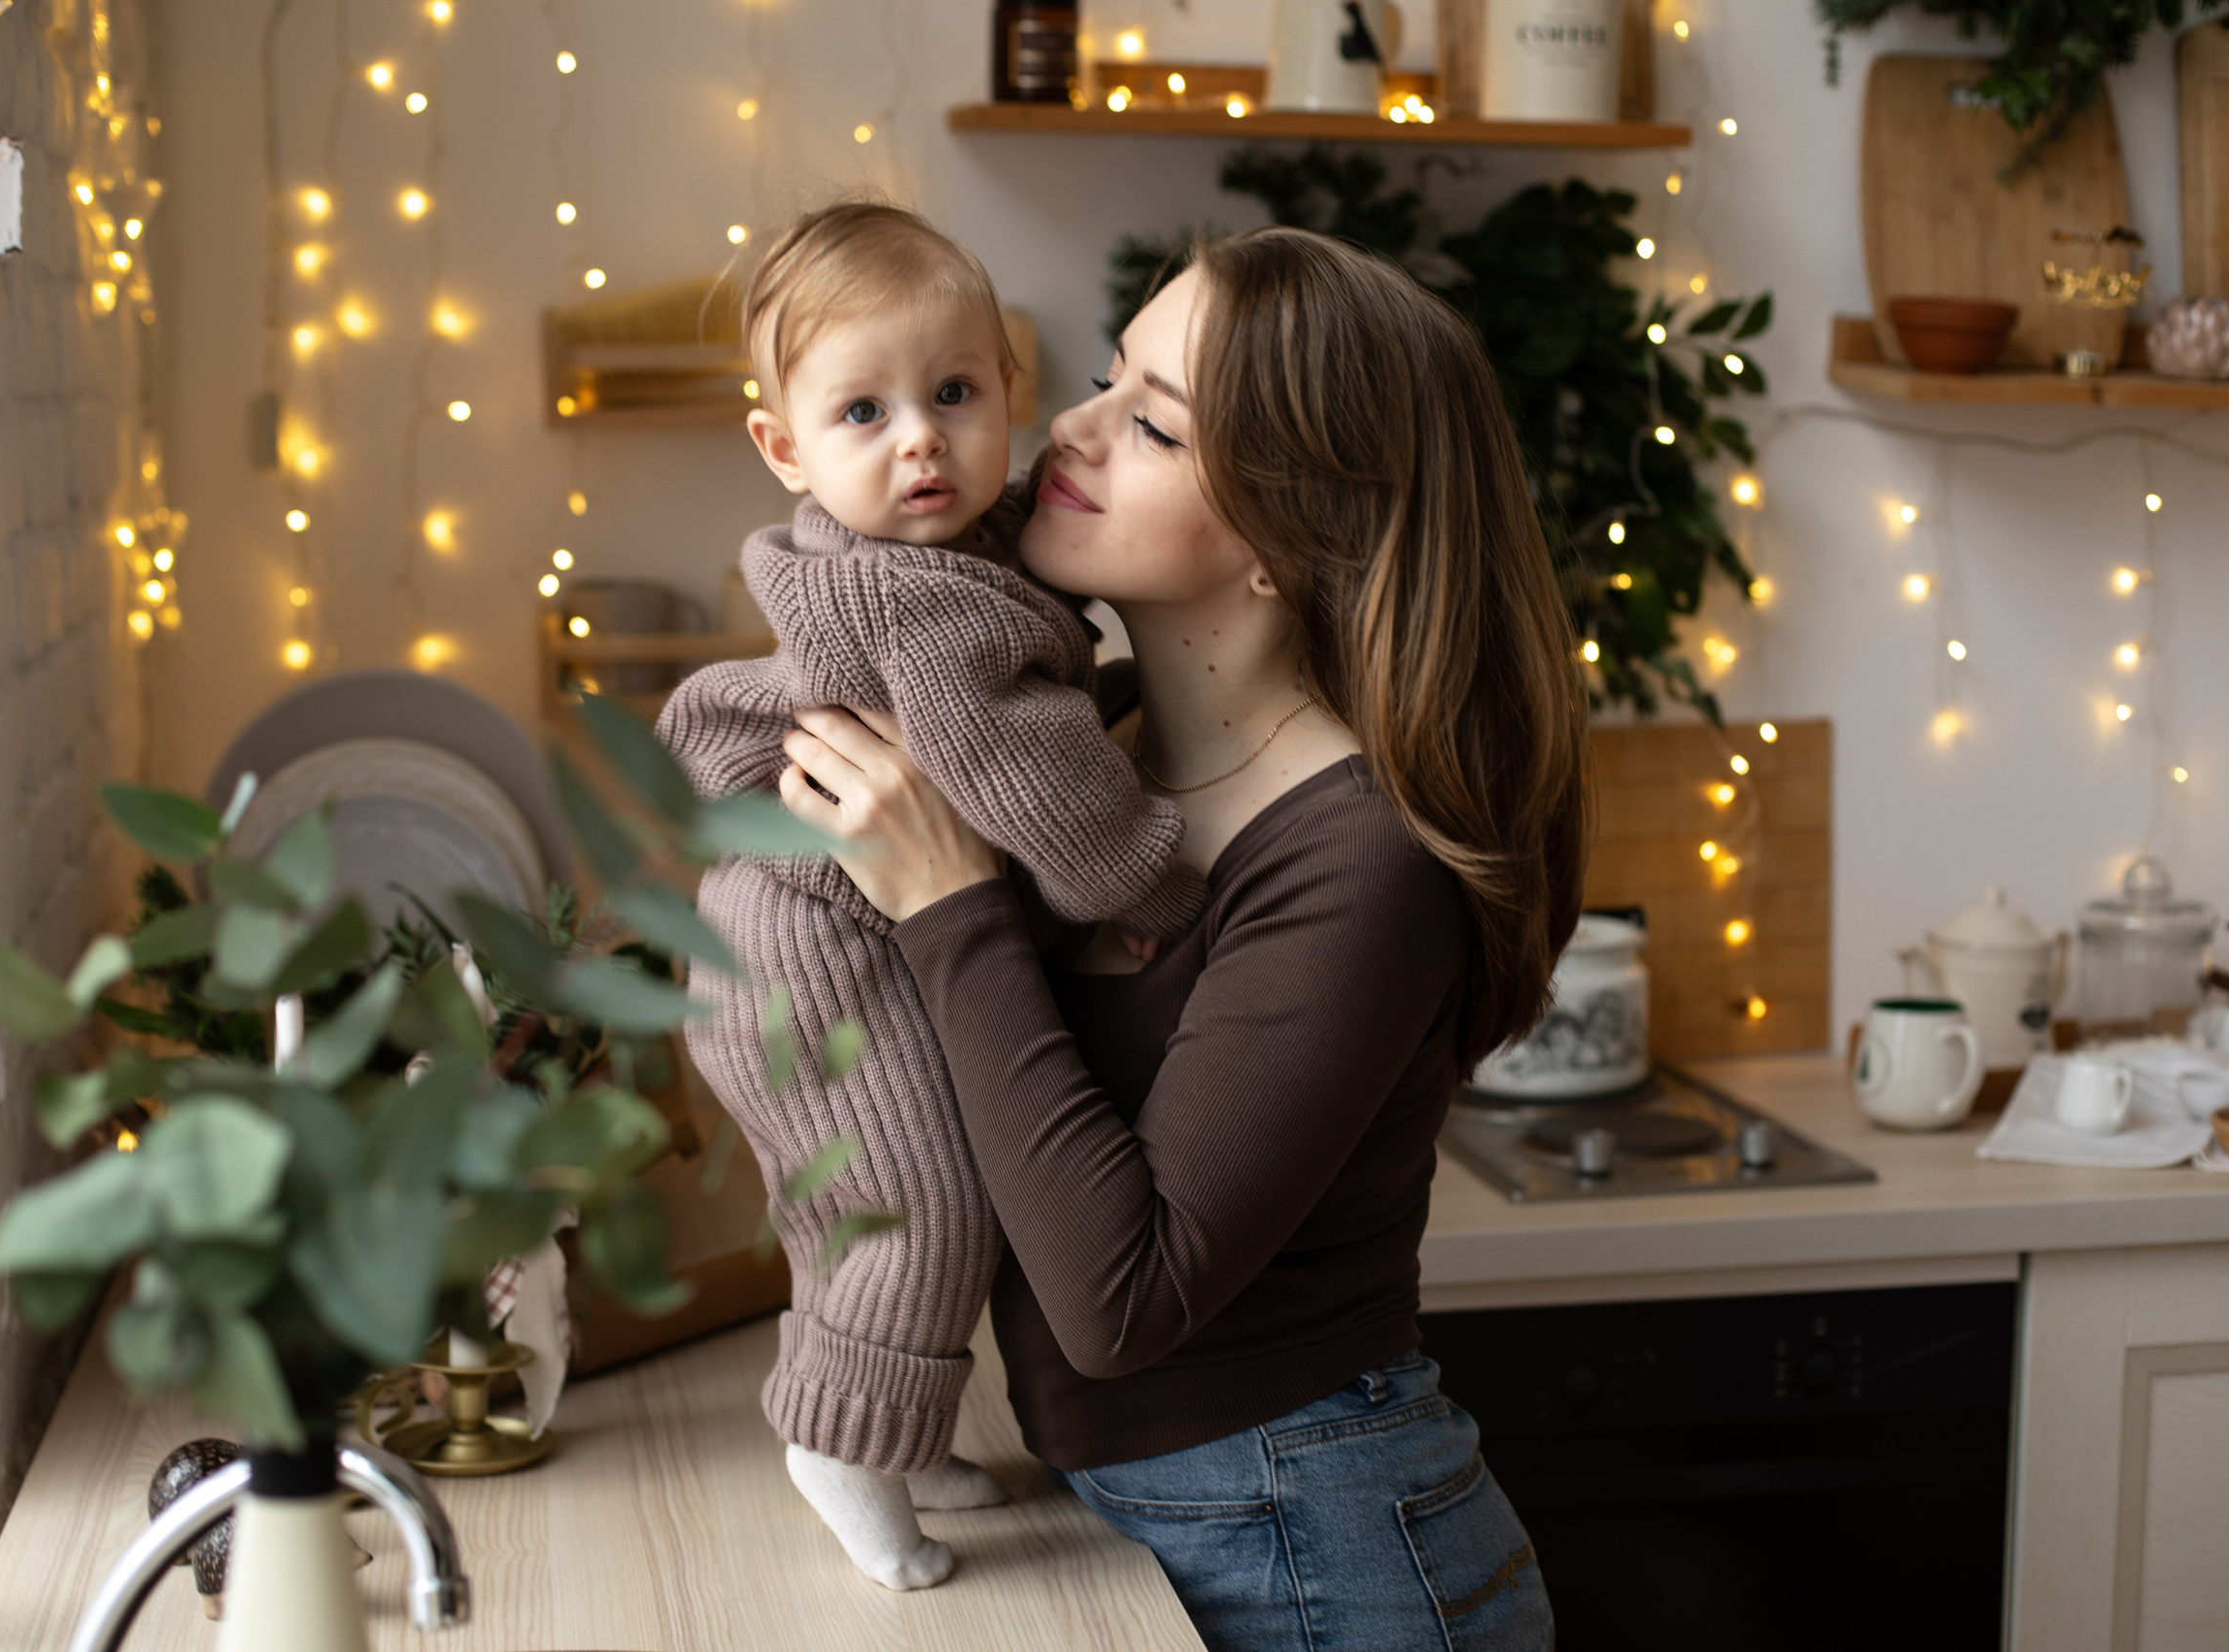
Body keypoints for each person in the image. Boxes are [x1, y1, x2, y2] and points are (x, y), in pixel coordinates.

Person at [770, 226, 1589, 1651]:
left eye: (1150, 422)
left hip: (1327, 1550)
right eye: (1106, 378)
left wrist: (951, 905)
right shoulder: (1090, 762)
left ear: (1293, 540)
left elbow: (1122, 1300)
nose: (1068, 429)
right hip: (1149, 1522)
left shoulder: (1361, 860)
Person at [655, 203, 1204, 1593]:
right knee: (923, 1201)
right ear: (784, 448)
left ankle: (893, 1431)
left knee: (874, 1195)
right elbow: (1046, 802)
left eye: (953, 394)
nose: (920, 440)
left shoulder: (943, 558)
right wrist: (1159, 880)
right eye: (863, 412)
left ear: (1007, 393)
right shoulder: (933, 615)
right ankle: (840, 1446)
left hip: (794, 927)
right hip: (810, 943)